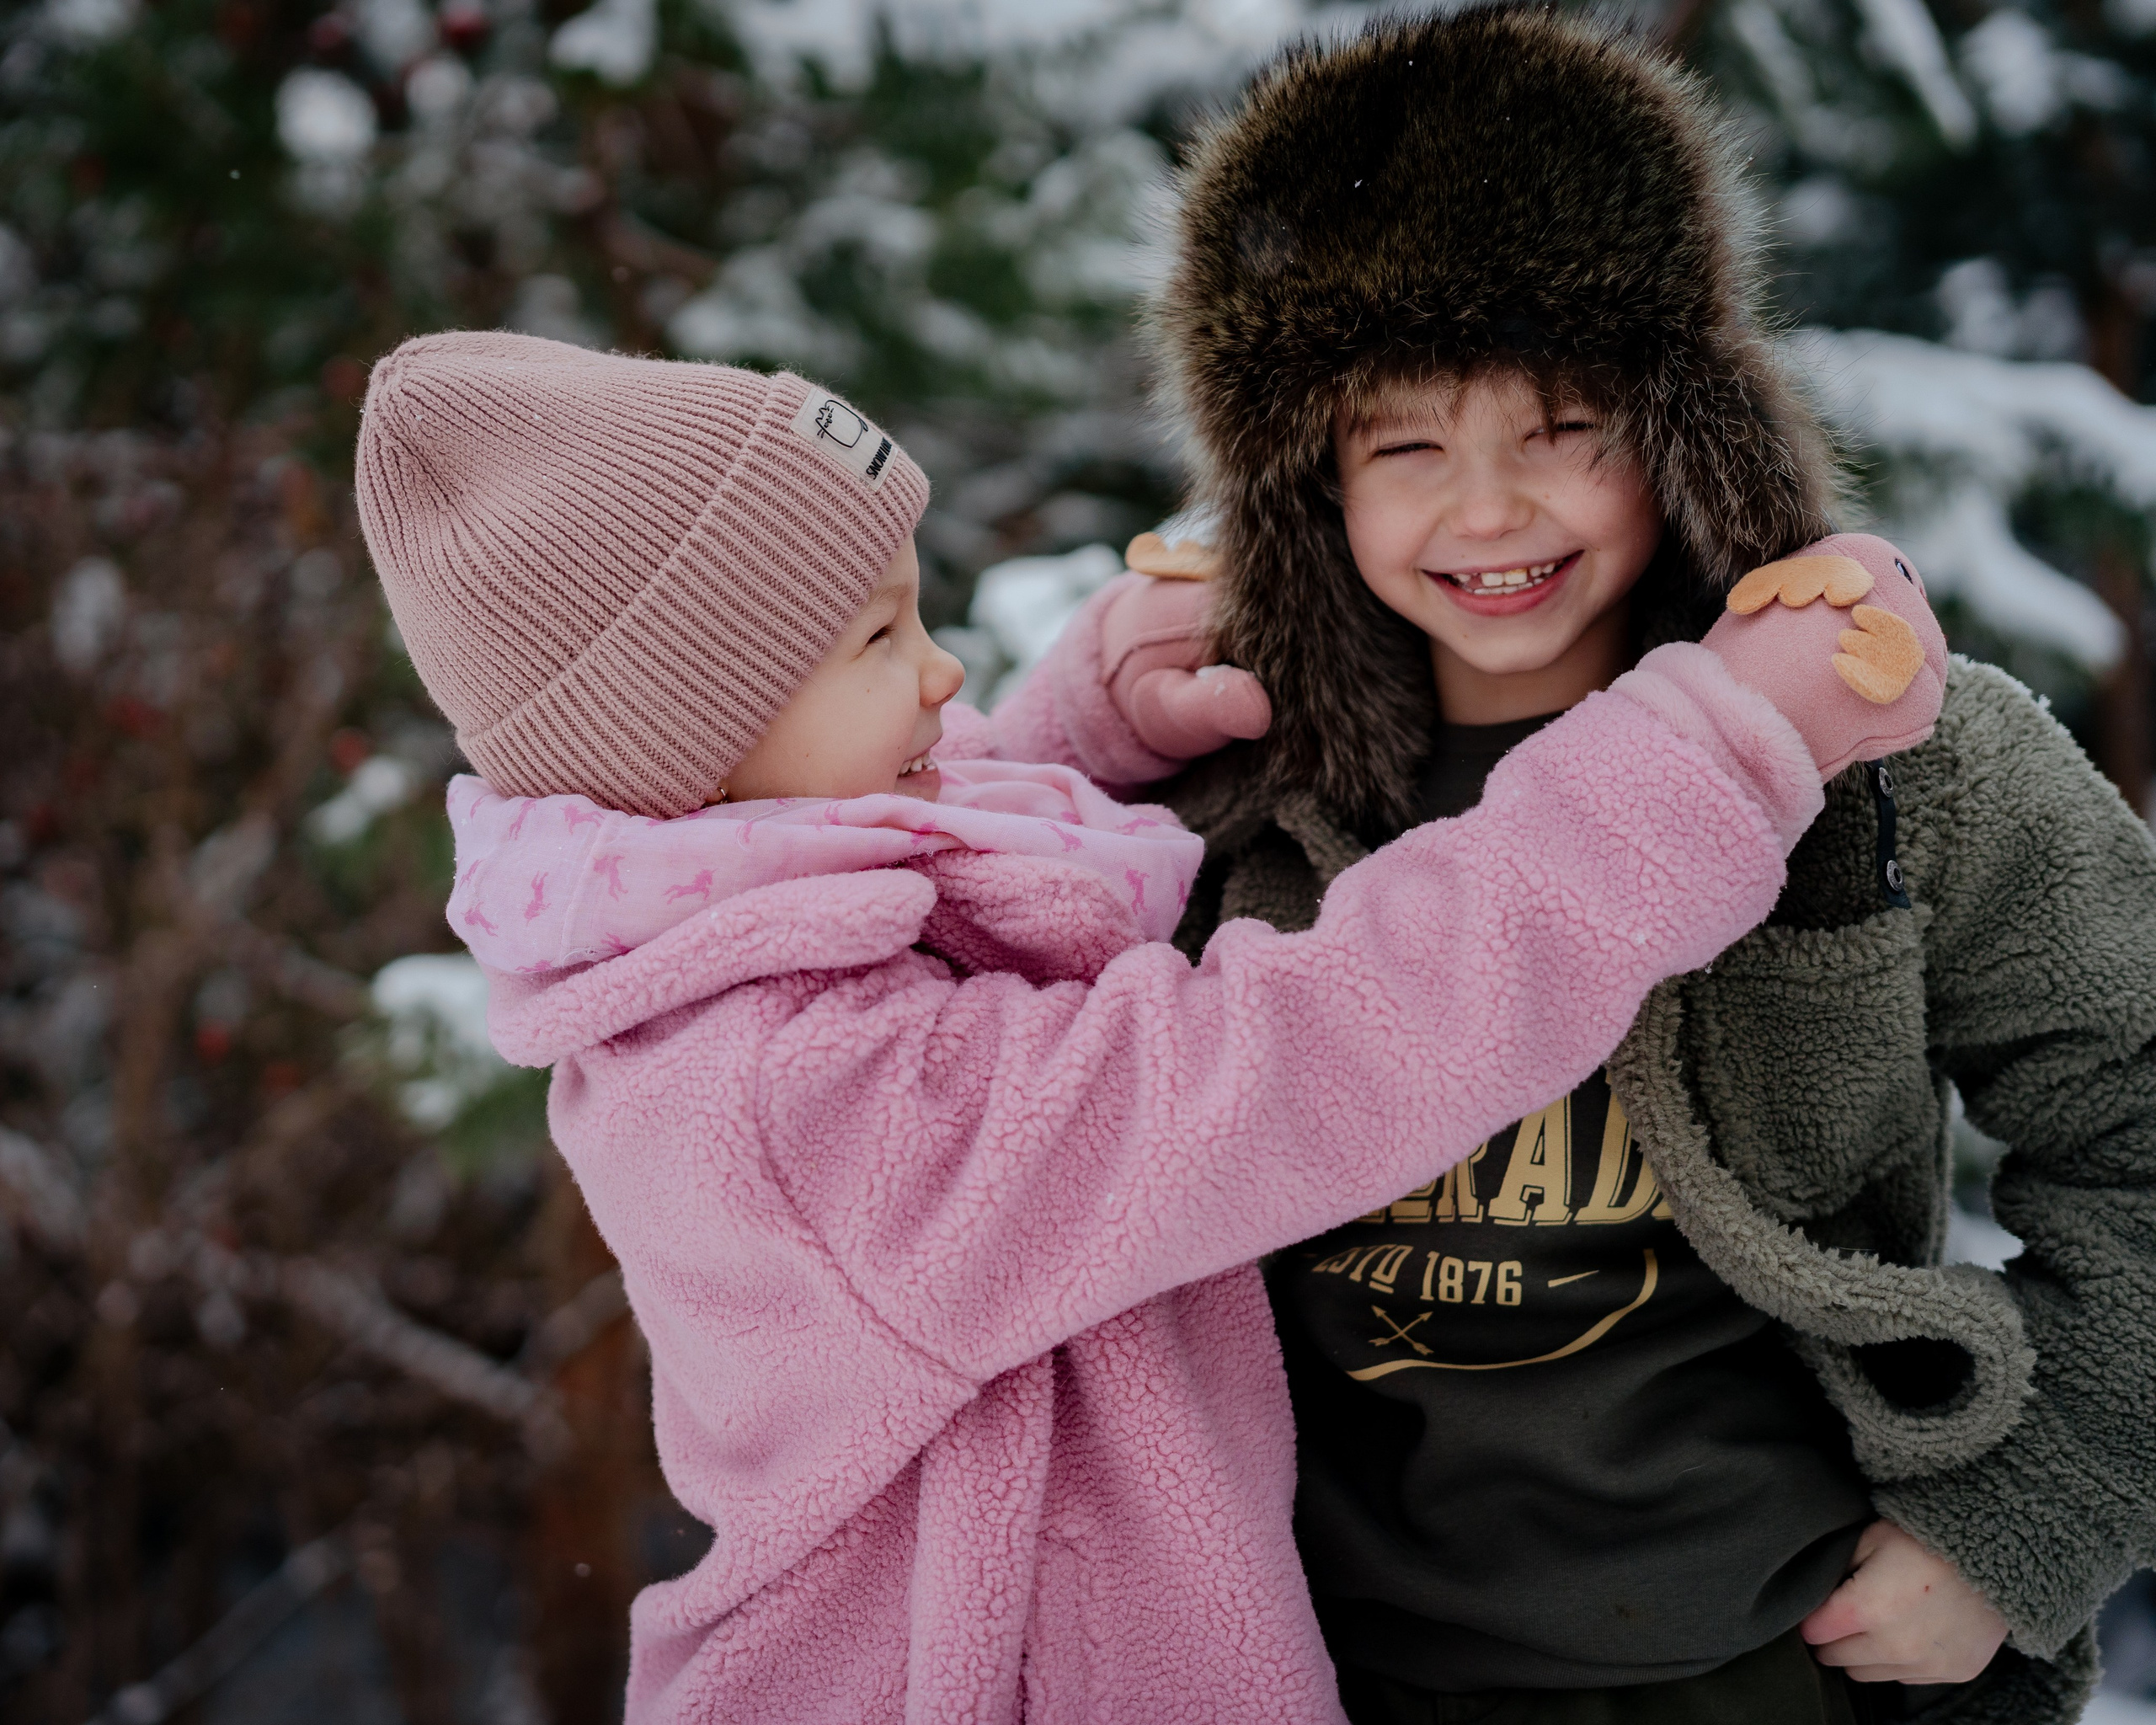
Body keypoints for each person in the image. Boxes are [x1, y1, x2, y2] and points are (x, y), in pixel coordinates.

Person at [354, 328, 1935, 1723]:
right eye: (878, 644)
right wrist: (1712, 757)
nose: (945, 670)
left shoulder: (723, 923)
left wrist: (1079, 729)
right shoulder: (788, 1097)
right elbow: (1296, 1058)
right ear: (691, 737)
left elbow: (877, 846)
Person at [1007, 9, 2156, 1724]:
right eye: (1403, 446)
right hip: (1317, 1675)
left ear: (1682, 423)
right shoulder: (1209, 803)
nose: (1487, 513)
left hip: (1778, 1674)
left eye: (1561, 428)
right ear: (1302, 482)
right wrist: (1068, 716)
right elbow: (937, 1102)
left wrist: (2017, 1517)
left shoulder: (1882, 753)